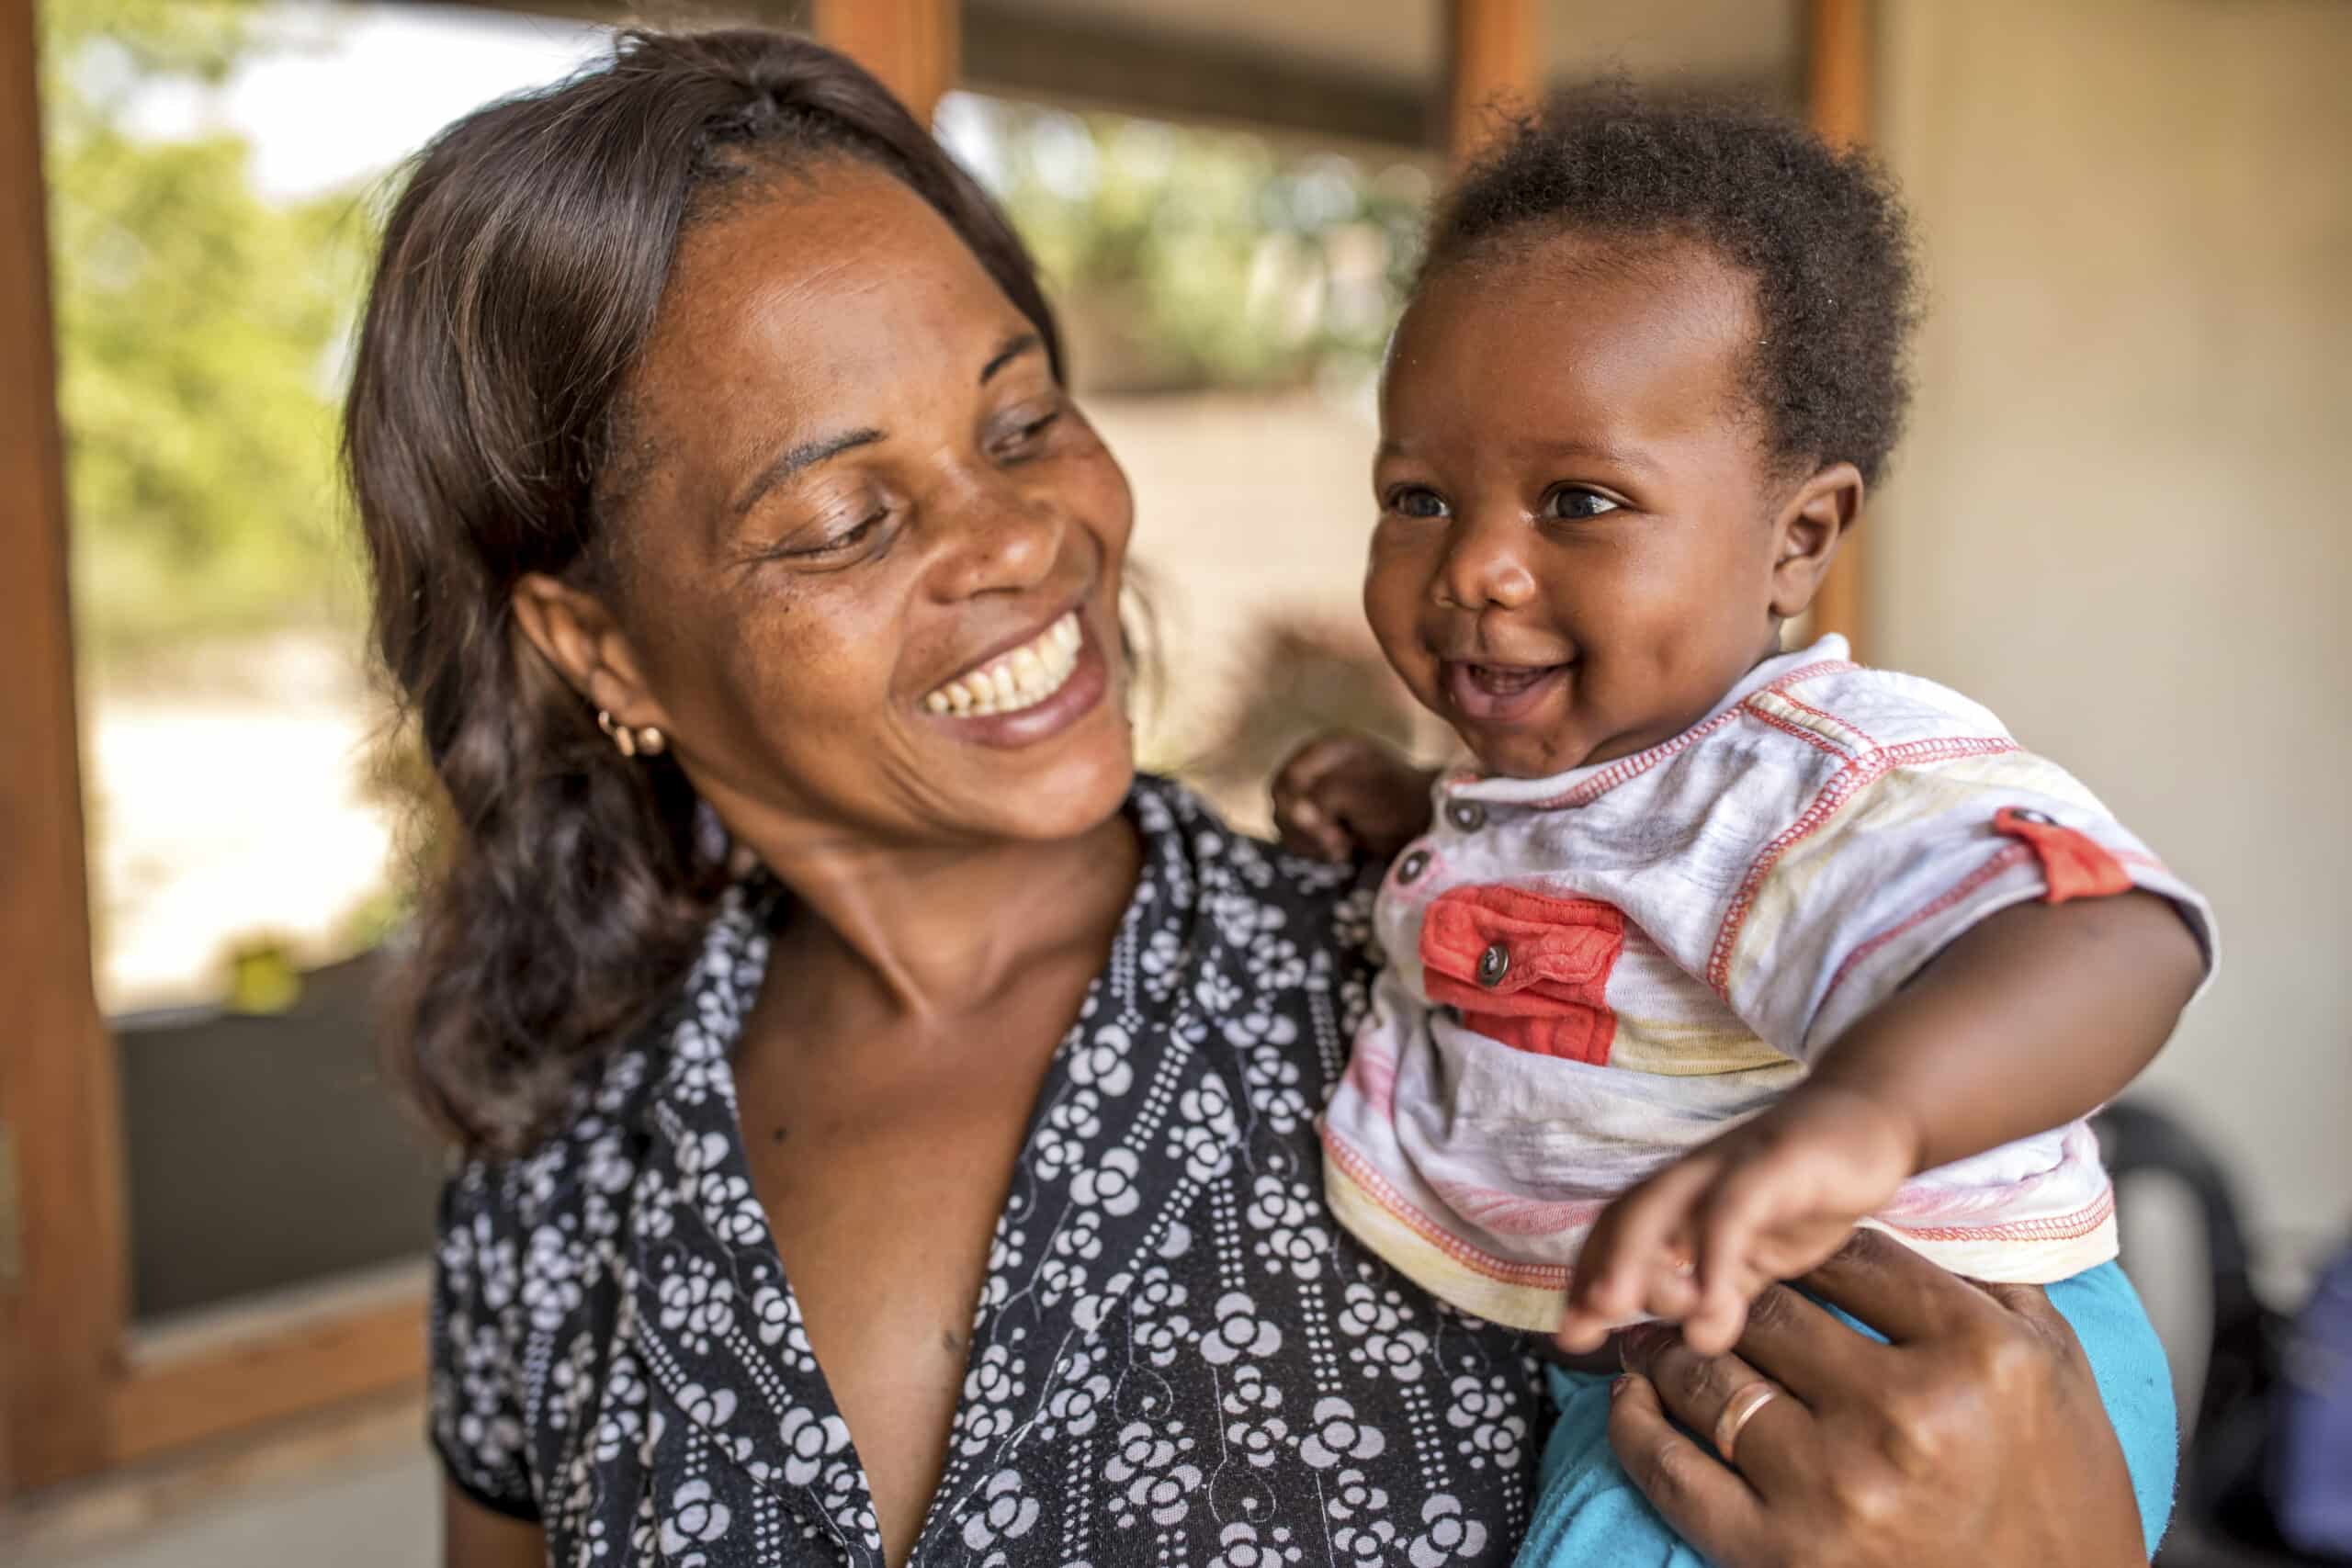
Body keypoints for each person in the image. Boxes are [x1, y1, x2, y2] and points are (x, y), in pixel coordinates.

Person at [348, 28, 2181, 1568]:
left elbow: (2058, 979)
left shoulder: (1443, 1016)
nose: (1017, 539)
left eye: (1017, 423)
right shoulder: (565, 1155)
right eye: (843, 514)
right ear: (599, 643)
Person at [1272, 88, 2214, 1564]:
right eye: (1419, 496)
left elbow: (2105, 934)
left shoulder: (1813, 782)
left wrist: (1864, 1118)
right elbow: (1594, 888)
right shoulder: (1598, 771)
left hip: (1907, 1354)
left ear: (1800, 539)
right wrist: (1413, 821)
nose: (1479, 570)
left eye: (1578, 499)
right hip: (1701, 1345)